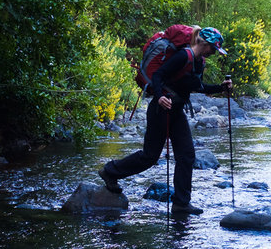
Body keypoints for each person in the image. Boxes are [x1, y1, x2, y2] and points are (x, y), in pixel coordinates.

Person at [99, 26, 232, 215]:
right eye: (213, 48)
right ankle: (110, 172)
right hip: (160, 110)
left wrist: (221, 88)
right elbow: (159, 75)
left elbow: (197, 87)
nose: (213, 53)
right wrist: (160, 96)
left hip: (177, 112)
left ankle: (181, 204)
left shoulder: (198, 63)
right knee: (150, 157)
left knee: (186, 156)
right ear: (204, 43)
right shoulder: (183, 56)